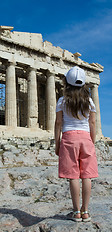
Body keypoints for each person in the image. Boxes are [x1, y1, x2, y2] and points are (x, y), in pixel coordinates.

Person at [54, 66, 98, 222]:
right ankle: (85, 211)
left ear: (66, 82)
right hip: (86, 138)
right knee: (87, 175)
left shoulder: (62, 101)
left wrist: (57, 144)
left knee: (73, 176)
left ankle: (76, 212)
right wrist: (92, 141)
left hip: (68, 138)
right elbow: (92, 123)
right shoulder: (90, 101)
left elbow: (58, 123)